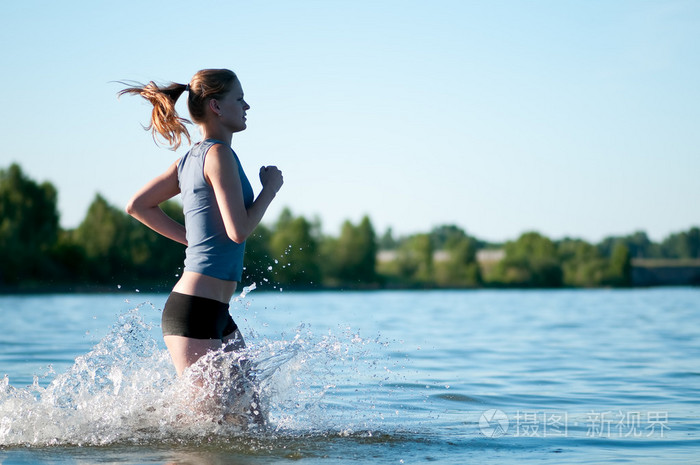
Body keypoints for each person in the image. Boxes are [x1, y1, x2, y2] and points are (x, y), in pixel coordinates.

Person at [119, 69, 283, 416]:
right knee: (207, 429)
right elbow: (238, 230)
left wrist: (193, 242)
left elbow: (138, 205)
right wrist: (269, 190)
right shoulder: (218, 155)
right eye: (239, 99)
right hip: (194, 311)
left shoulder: (189, 158)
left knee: (253, 419)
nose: (247, 105)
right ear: (216, 107)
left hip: (214, 311)